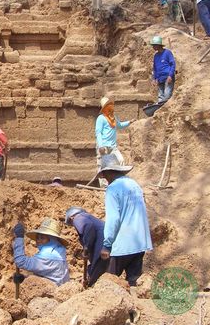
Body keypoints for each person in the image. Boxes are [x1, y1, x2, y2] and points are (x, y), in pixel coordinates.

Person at [98, 154, 153, 287]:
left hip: (122, 244)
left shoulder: (112, 189)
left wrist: (107, 244)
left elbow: (114, 219)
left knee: (109, 284)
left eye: (104, 175)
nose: (105, 179)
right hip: (139, 241)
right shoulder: (134, 185)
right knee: (133, 282)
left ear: (108, 172)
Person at [12, 218, 70, 286]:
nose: (38, 240)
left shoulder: (48, 255)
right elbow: (48, 276)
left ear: (52, 239)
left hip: (52, 293)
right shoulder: (58, 251)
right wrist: (24, 278)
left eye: (42, 238)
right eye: (38, 237)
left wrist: (19, 238)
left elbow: (21, 261)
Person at [65, 207, 109, 287]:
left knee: (95, 275)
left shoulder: (78, 217)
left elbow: (88, 226)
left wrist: (86, 248)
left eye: (71, 223)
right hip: (108, 245)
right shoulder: (89, 218)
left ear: (71, 217)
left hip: (102, 246)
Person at [95, 97, 133, 186]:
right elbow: (98, 132)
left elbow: (119, 125)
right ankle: (104, 186)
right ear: (105, 107)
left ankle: (121, 181)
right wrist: (100, 145)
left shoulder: (113, 117)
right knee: (103, 166)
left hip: (113, 146)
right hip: (103, 146)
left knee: (121, 160)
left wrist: (129, 122)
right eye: (108, 105)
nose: (111, 106)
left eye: (111, 105)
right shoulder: (101, 118)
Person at [150, 36, 176, 103]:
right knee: (160, 97)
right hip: (160, 79)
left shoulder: (167, 53)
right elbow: (155, 68)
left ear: (158, 45)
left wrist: (170, 75)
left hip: (168, 77)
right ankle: (160, 111)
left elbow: (173, 64)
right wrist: (154, 78)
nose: (153, 47)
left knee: (167, 96)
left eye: (154, 45)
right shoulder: (156, 56)